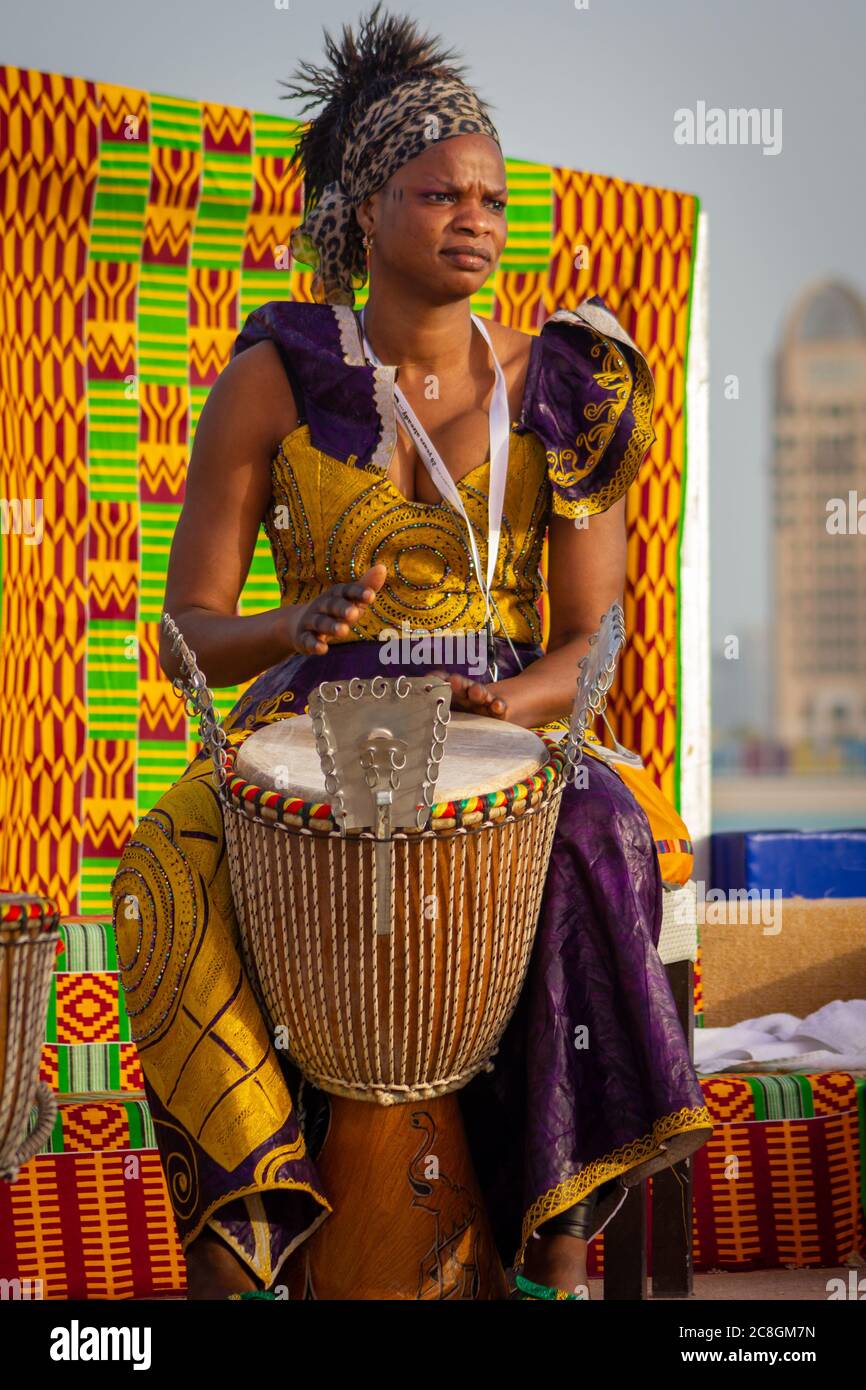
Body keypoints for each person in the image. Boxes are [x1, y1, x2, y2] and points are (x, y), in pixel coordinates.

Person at [111, 3, 712, 1301]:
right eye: (438, 193)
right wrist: (288, 626)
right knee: (161, 864)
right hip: (305, 730)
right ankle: (247, 1234)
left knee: (602, 826)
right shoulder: (275, 374)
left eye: (491, 198)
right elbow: (186, 634)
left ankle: (558, 1251)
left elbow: (592, 635)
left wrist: (509, 697)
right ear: (363, 210)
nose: (477, 220)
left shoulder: (567, 383)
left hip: (502, 718)